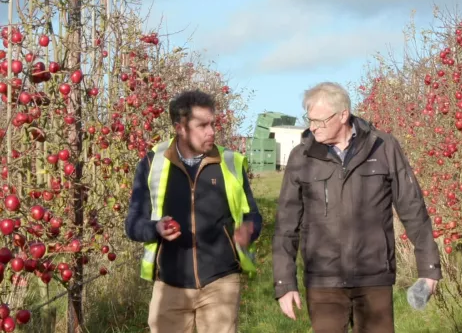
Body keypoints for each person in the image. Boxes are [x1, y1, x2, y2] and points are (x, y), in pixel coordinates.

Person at [272, 82, 442, 333]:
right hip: (323, 279)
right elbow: (286, 225)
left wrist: (428, 268)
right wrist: (285, 283)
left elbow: (413, 208)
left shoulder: (384, 147)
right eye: (310, 120)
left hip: (374, 276)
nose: (313, 127)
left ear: (343, 115)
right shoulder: (302, 157)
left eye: (320, 121)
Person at [125, 89, 262, 333]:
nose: (211, 131)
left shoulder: (231, 162)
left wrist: (248, 230)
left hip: (221, 281)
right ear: (180, 128)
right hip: (169, 283)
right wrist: (155, 228)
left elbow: (252, 214)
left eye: (212, 123)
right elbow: (133, 224)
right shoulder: (151, 164)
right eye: (202, 125)